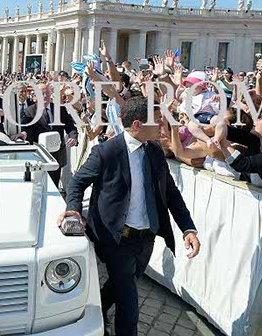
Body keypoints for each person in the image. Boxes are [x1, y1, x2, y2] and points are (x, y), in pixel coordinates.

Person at [60, 97, 200, 336]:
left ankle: (97, 310)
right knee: (129, 305)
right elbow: (77, 183)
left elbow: (170, 192)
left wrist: (188, 228)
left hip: (146, 239)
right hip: (116, 240)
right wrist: (73, 209)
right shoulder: (106, 152)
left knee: (121, 284)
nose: (162, 125)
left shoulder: (155, 151)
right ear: (137, 125)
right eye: (157, 121)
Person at [21, 83, 78, 193]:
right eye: (41, 93)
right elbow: (27, 129)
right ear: (35, 95)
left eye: (46, 93)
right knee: (39, 187)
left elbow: (70, 126)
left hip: (57, 156)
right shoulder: (29, 112)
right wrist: (24, 134)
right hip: (39, 157)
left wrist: (73, 137)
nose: (45, 96)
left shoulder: (60, 109)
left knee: (54, 186)